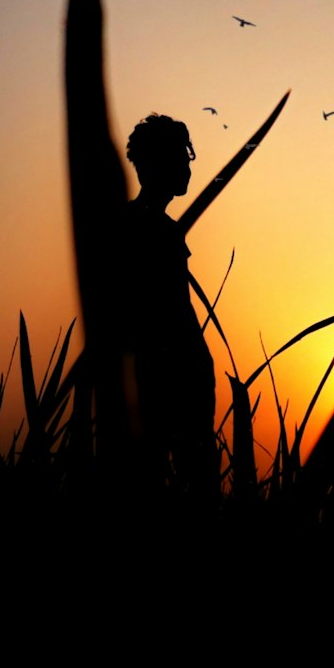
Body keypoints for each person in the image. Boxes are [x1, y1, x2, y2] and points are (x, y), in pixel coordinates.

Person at [121, 113, 218, 488]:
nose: (188, 165)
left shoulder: (159, 227)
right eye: (181, 155)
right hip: (168, 377)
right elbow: (162, 312)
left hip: (184, 373)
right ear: (152, 164)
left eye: (187, 155)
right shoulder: (142, 227)